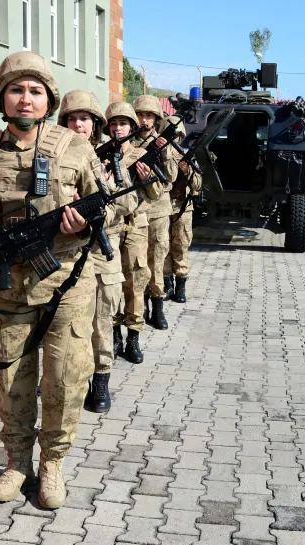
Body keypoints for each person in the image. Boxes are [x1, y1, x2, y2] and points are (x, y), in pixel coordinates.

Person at [0, 52, 114, 509]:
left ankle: (52, 464)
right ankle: (17, 464)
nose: (26, 99)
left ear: (48, 100)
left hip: (67, 286)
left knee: (65, 380)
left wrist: (85, 222)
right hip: (6, 289)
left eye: (36, 91)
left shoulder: (76, 147)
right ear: (2, 97)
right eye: (17, 90)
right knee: (12, 382)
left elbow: (109, 207)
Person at [56, 90, 148, 413]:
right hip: (65, 249)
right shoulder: (54, 156)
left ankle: (101, 379)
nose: (78, 124)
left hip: (101, 247)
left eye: (84, 118)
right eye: (71, 119)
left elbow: (128, 200)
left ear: (95, 124)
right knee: (67, 320)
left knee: (102, 317)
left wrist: (96, 215)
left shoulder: (110, 157)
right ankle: (70, 378)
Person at [109, 101, 164, 364]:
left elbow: (157, 193)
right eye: (113, 123)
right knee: (110, 285)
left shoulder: (142, 154)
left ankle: (133, 336)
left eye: (123, 123)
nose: (118, 128)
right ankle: (114, 334)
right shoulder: (100, 155)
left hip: (136, 226)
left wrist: (147, 178)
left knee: (135, 282)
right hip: (110, 227)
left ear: (131, 127)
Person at [131, 95, 177, 330]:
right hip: (134, 211)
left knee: (157, 261)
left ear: (156, 119)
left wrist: (165, 152)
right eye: (140, 115)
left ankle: (157, 307)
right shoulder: (127, 143)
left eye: (149, 116)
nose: (144, 120)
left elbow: (172, 177)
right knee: (137, 265)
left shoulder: (163, 143)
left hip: (158, 210)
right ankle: (140, 310)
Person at [162, 116, 201, 303]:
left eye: (177, 135)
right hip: (163, 207)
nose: (174, 138)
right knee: (163, 246)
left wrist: (187, 171)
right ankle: (167, 283)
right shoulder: (159, 154)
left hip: (182, 208)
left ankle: (180, 285)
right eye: (171, 134)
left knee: (181, 245)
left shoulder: (187, 155)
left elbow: (198, 184)